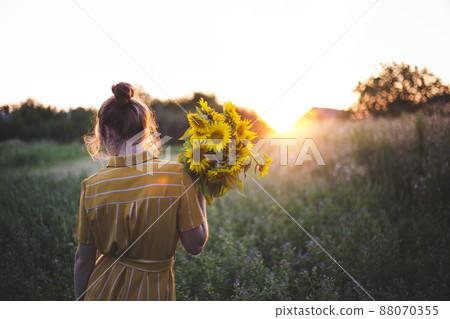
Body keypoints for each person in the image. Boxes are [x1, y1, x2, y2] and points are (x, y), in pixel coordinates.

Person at [74, 82, 208, 301]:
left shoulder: (91, 186)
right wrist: (199, 191)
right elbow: (195, 245)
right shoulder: (177, 176)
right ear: (146, 131)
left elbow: (83, 259)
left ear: (105, 131)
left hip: (101, 295)